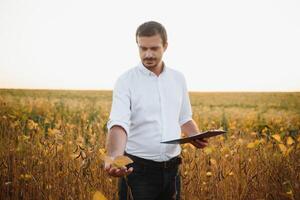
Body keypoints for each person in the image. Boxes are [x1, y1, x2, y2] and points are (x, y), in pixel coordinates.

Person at [105, 21, 208, 200]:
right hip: (137, 171)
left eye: (154, 48)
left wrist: (195, 135)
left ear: (165, 46)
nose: (148, 54)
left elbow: (184, 117)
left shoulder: (178, 78)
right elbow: (118, 123)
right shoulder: (125, 81)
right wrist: (114, 158)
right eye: (142, 48)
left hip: (173, 170)